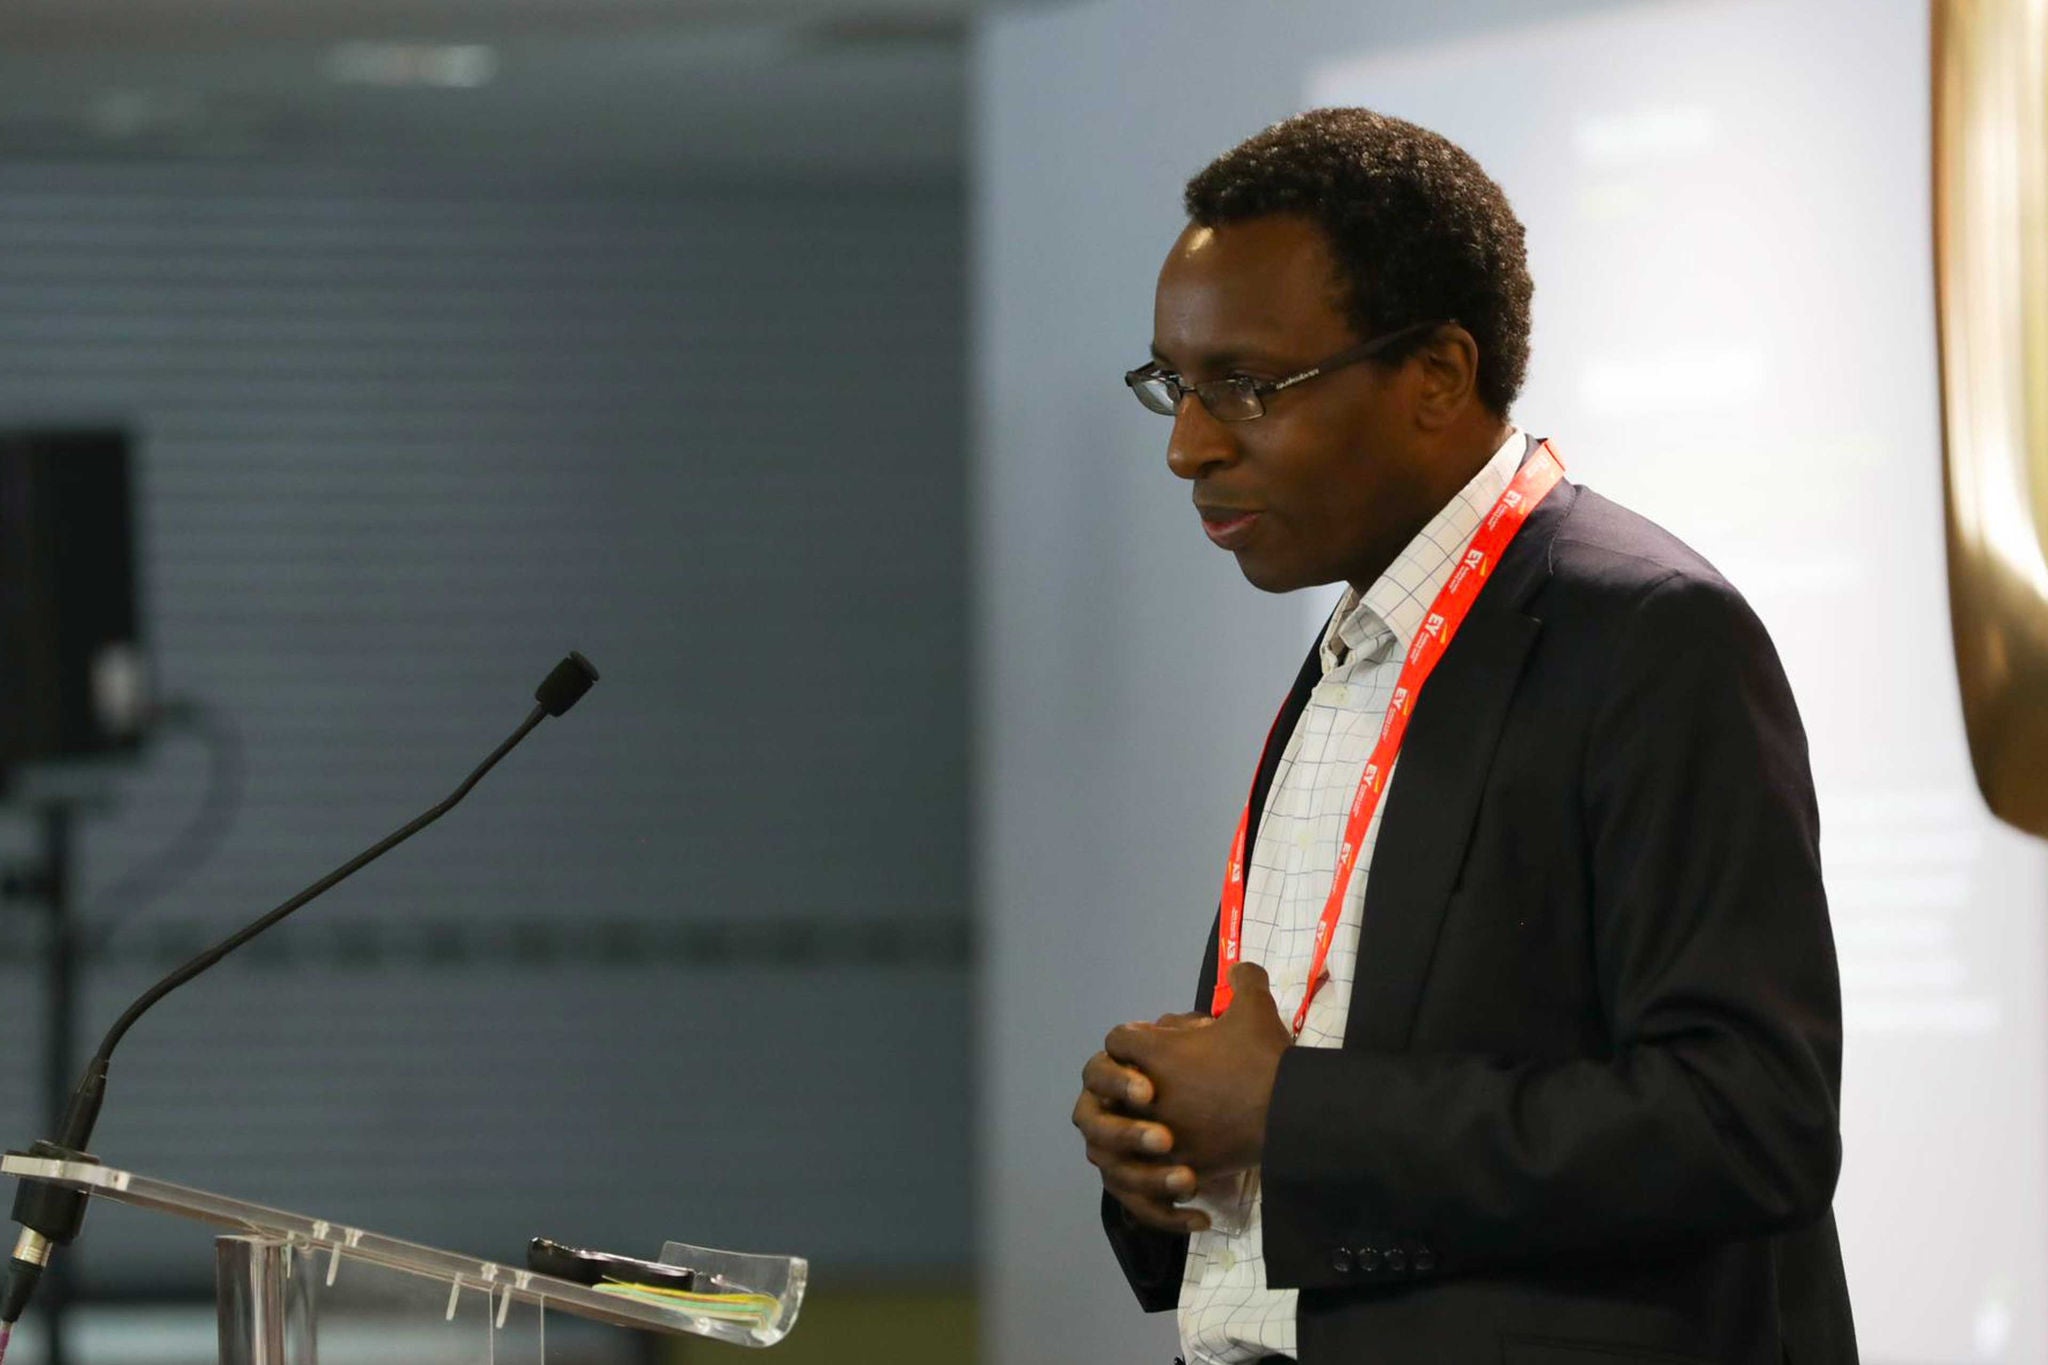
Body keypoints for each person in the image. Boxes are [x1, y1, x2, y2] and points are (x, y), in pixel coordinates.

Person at [1071, 108, 1857, 1364]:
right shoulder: (1358, 644)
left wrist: (1288, 1114)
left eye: (1246, 386)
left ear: (1436, 374)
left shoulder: (1647, 634)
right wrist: (1166, 1150)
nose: (1188, 444)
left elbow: (1747, 1120)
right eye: (1174, 384)